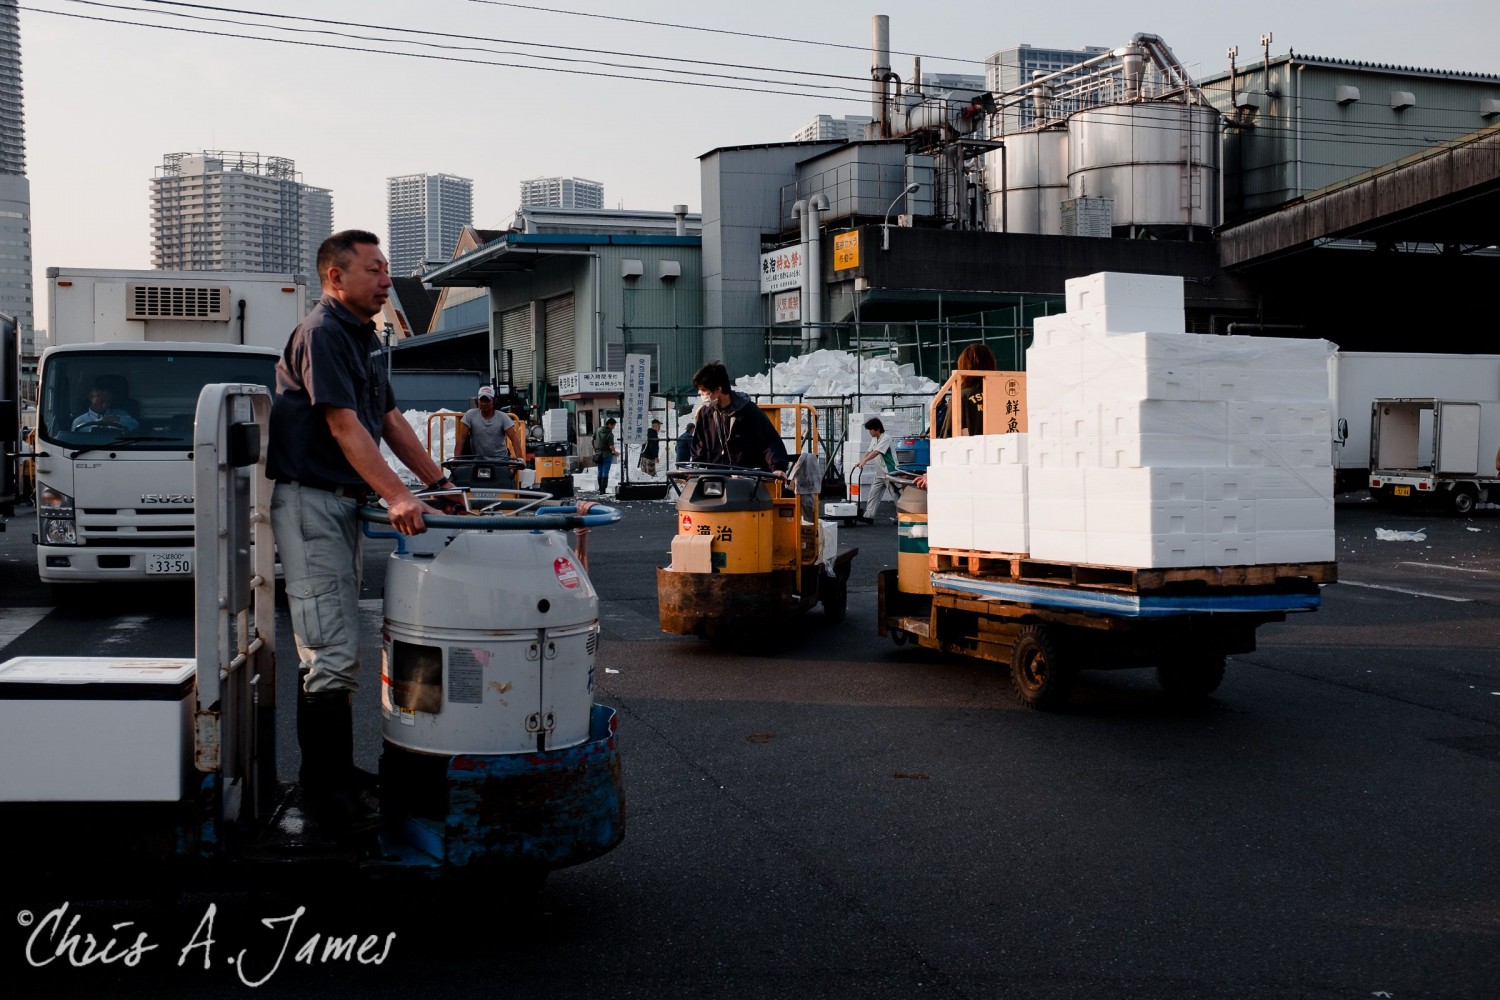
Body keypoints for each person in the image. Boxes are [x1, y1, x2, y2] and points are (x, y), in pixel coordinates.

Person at [266, 229, 451, 839]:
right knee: (332, 649)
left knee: (330, 645)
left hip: (338, 504)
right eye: (374, 269)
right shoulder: (321, 333)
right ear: (335, 278)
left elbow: (388, 419)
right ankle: (324, 795)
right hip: (312, 502)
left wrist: (438, 482)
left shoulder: (362, 337)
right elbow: (345, 426)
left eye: (386, 267)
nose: (386, 279)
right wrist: (397, 494)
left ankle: (335, 777)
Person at [917, 343, 999, 490]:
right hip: (1000, 466)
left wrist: (933, 472)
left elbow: (947, 440)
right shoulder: (1004, 395)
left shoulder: (961, 397)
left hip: (969, 470)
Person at [689, 361, 789, 473]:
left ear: (718, 389)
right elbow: (699, 446)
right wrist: (696, 469)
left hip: (745, 477)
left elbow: (769, 441)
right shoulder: (705, 413)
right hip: (714, 480)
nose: (701, 394)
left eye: (704, 390)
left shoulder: (748, 410)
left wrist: (777, 467)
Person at [455, 385, 525, 486]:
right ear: (477, 401)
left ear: (494, 401)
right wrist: (456, 459)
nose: (484, 404)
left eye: (487, 401)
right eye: (481, 400)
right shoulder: (470, 415)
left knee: (505, 484)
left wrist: (520, 459)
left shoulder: (502, 417)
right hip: (478, 459)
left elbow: (514, 438)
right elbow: (462, 438)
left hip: (500, 460)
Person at [851, 417, 897, 525]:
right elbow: (869, 451)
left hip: (890, 471)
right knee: (873, 493)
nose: (869, 432)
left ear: (877, 429)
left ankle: (903, 516)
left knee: (896, 494)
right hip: (880, 473)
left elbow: (876, 452)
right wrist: (862, 461)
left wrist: (864, 461)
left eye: (870, 430)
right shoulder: (875, 439)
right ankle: (869, 516)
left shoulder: (886, 438)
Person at [71, 382, 139, 432]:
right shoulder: (79, 421)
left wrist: (116, 419)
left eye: (108, 402)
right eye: (101, 402)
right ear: (91, 398)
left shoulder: (120, 413)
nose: (105, 405)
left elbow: (134, 424)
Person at [592, 417, 618, 491]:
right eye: (613, 425)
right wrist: (615, 452)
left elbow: (592, 440)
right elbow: (611, 446)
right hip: (607, 455)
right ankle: (603, 489)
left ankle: (600, 488)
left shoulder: (598, 430)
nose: (613, 427)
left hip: (598, 454)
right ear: (609, 424)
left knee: (599, 470)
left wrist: (595, 449)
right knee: (605, 471)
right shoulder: (610, 434)